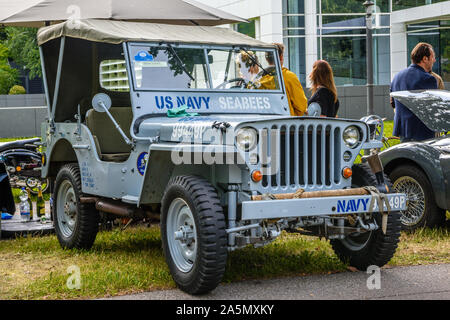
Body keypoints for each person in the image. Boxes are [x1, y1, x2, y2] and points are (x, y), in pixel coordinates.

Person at [391, 42, 438, 142]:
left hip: (403, 131)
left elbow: (393, 104)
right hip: (423, 132)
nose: (434, 60)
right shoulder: (428, 79)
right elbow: (434, 107)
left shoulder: (397, 77)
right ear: (425, 59)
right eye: (433, 57)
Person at [257, 43, 308, 116]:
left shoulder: (259, 80)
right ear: (281, 57)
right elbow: (301, 106)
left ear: (266, 59)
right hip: (286, 123)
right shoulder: (289, 77)